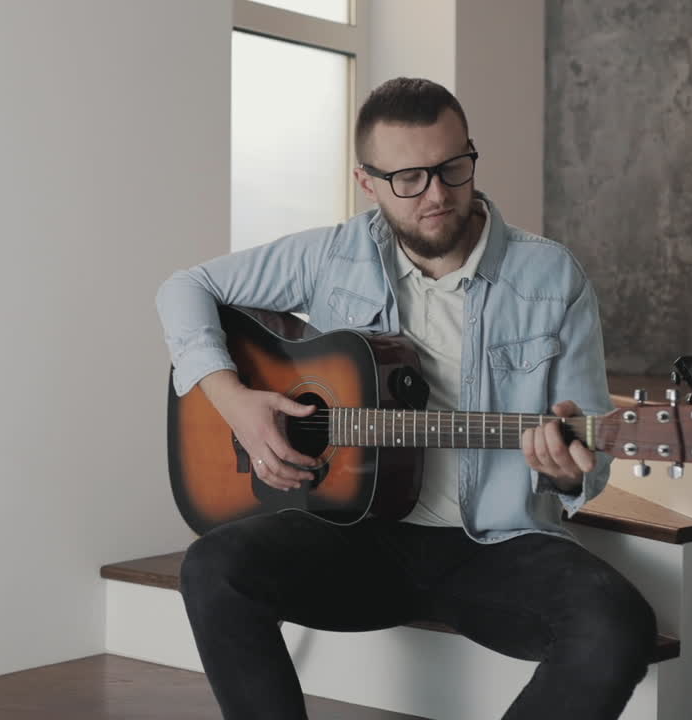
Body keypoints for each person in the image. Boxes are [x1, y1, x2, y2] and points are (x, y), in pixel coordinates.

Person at [155, 77, 656, 720]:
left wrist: (565, 474)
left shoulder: (551, 276)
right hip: (357, 536)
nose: (438, 194)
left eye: (453, 167)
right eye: (409, 179)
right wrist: (234, 401)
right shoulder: (330, 255)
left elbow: (588, 448)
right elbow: (184, 287)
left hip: (496, 546)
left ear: (471, 153)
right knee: (212, 569)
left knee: (617, 626)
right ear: (368, 183)